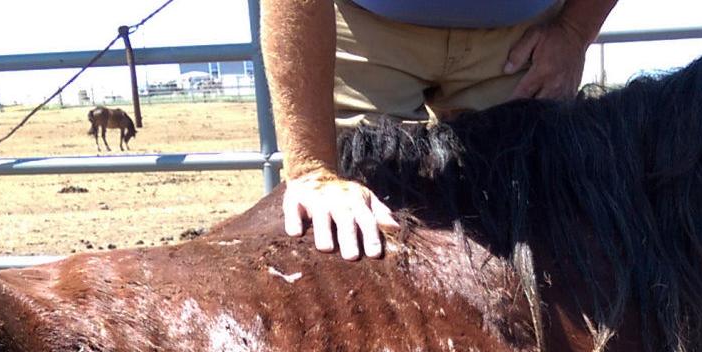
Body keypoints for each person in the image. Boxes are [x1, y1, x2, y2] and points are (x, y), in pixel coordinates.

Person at [260, 0, 618, 260]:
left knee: (531, 234)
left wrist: (574, 31)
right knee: (349, 234)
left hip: (521, 38)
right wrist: (314, 171)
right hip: (363, 28)